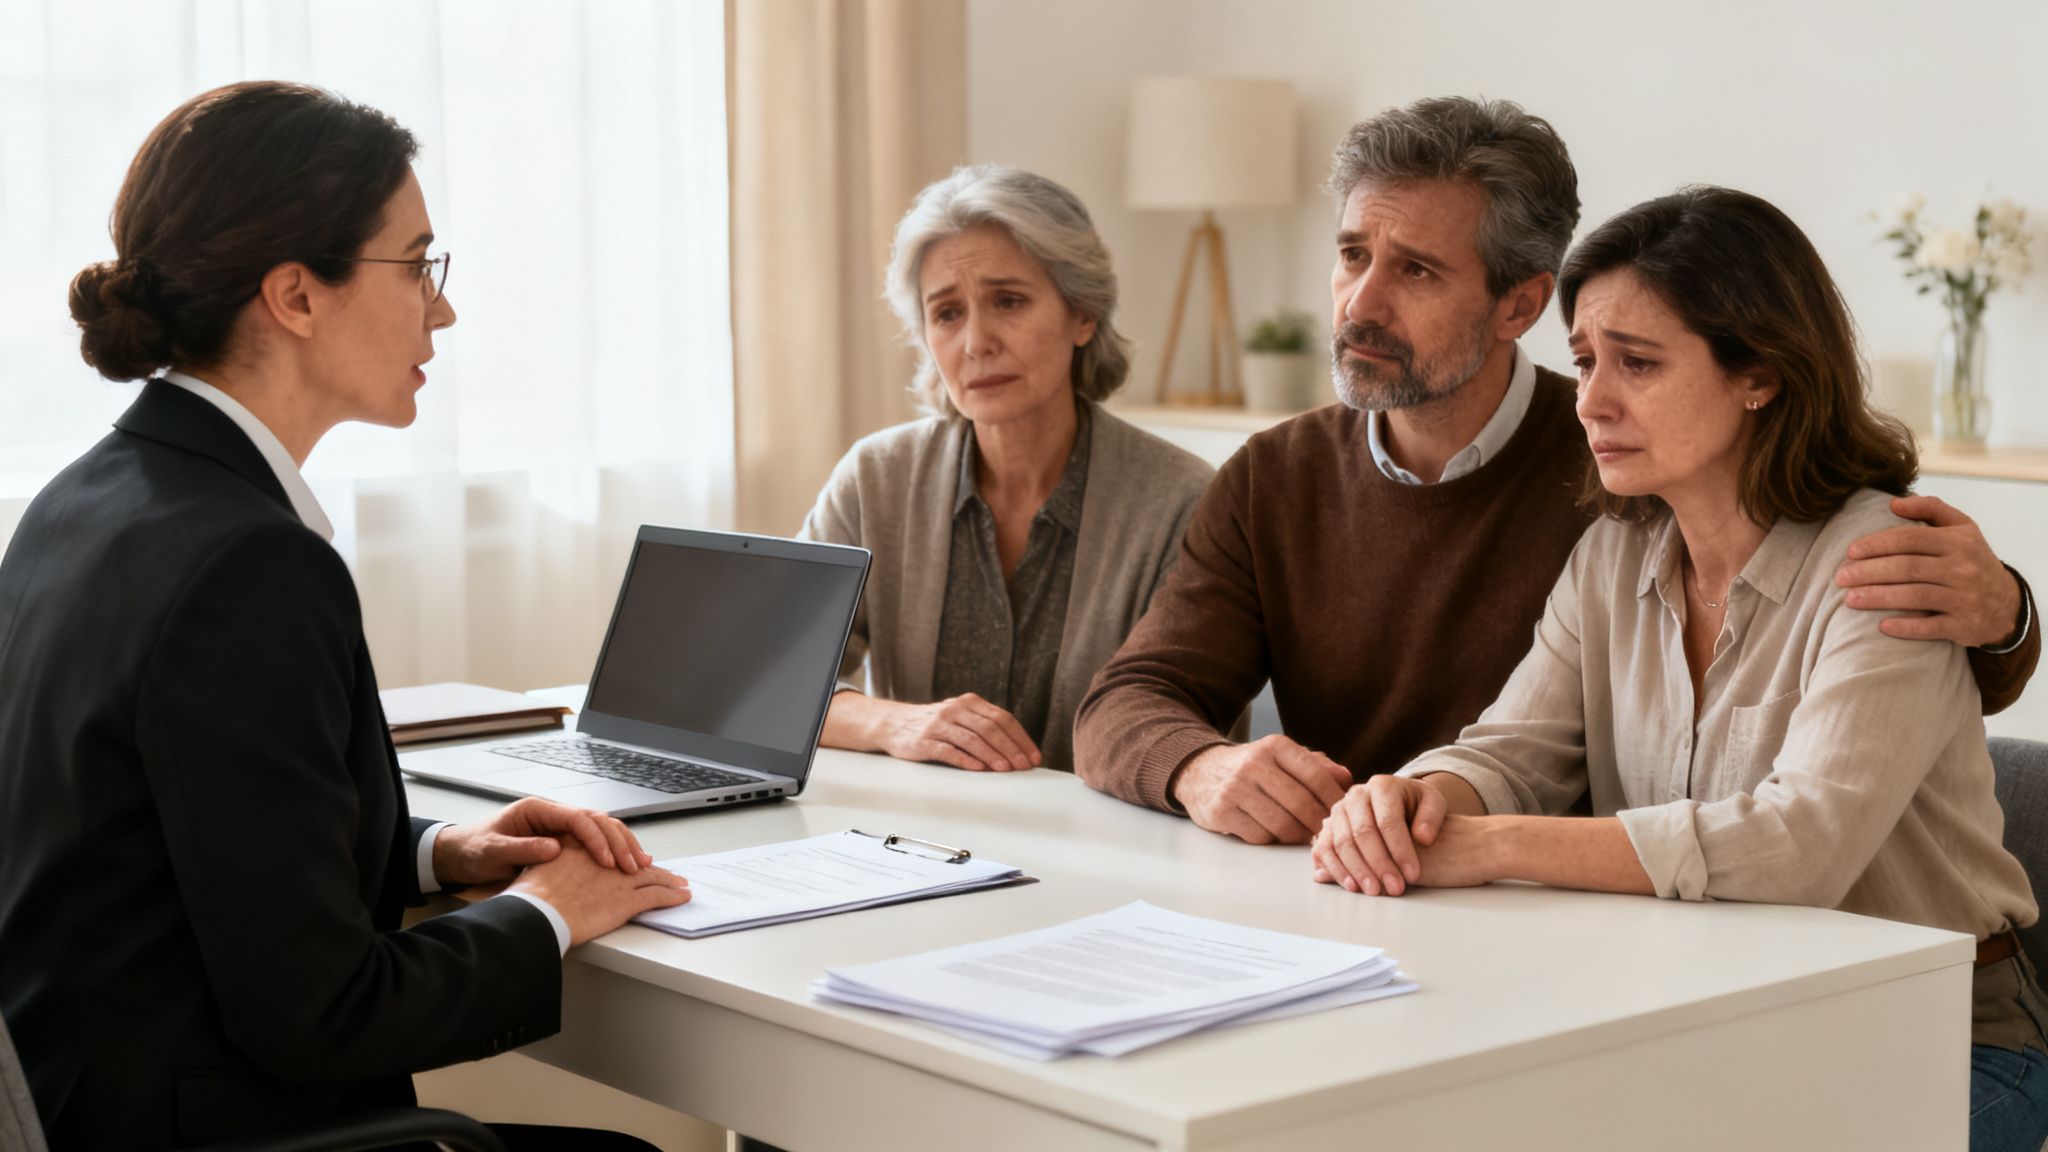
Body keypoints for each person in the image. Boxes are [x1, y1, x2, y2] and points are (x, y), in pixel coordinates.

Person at [0, 82, 690, 1150]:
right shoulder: (248, 564)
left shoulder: (87, 499)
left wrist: (443, 853)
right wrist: (551, 910)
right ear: (296, 295)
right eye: (416, 265)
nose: (442, 307)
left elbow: (204, 851)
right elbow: (322, 1013)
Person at [1074, 95, 2038, 845]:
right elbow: (1127, 699)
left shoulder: (1637, 465)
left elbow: (1872, 645)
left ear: (1519, 304)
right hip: (1380, 889)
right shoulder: (1275, 476)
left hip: (1596, 933)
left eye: (1415, 271)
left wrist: (2008, 618)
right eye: (1352, 255)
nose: (1359, 303)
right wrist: (1201, 770)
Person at [1310, 185, 2048, 1151]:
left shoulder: (1885, 559)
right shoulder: (1613, 556)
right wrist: (1416, 801)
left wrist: (1488, 846)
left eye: (1639, 365)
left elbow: (1801, 845)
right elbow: (1511, 751)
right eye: (1583, 361)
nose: (1592, 401)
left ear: (1762, 375)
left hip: (1943, 1040)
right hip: (1712, 1021)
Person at [800, 164, 1214, 774]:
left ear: (1082, 314)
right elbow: (778, 687)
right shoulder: (875, 478)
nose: (976, 343)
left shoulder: (1183, 501)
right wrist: (896, 722)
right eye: (947, 314)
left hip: (1109, 846)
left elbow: (1189, 729)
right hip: (905, 846)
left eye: (1008, 301)